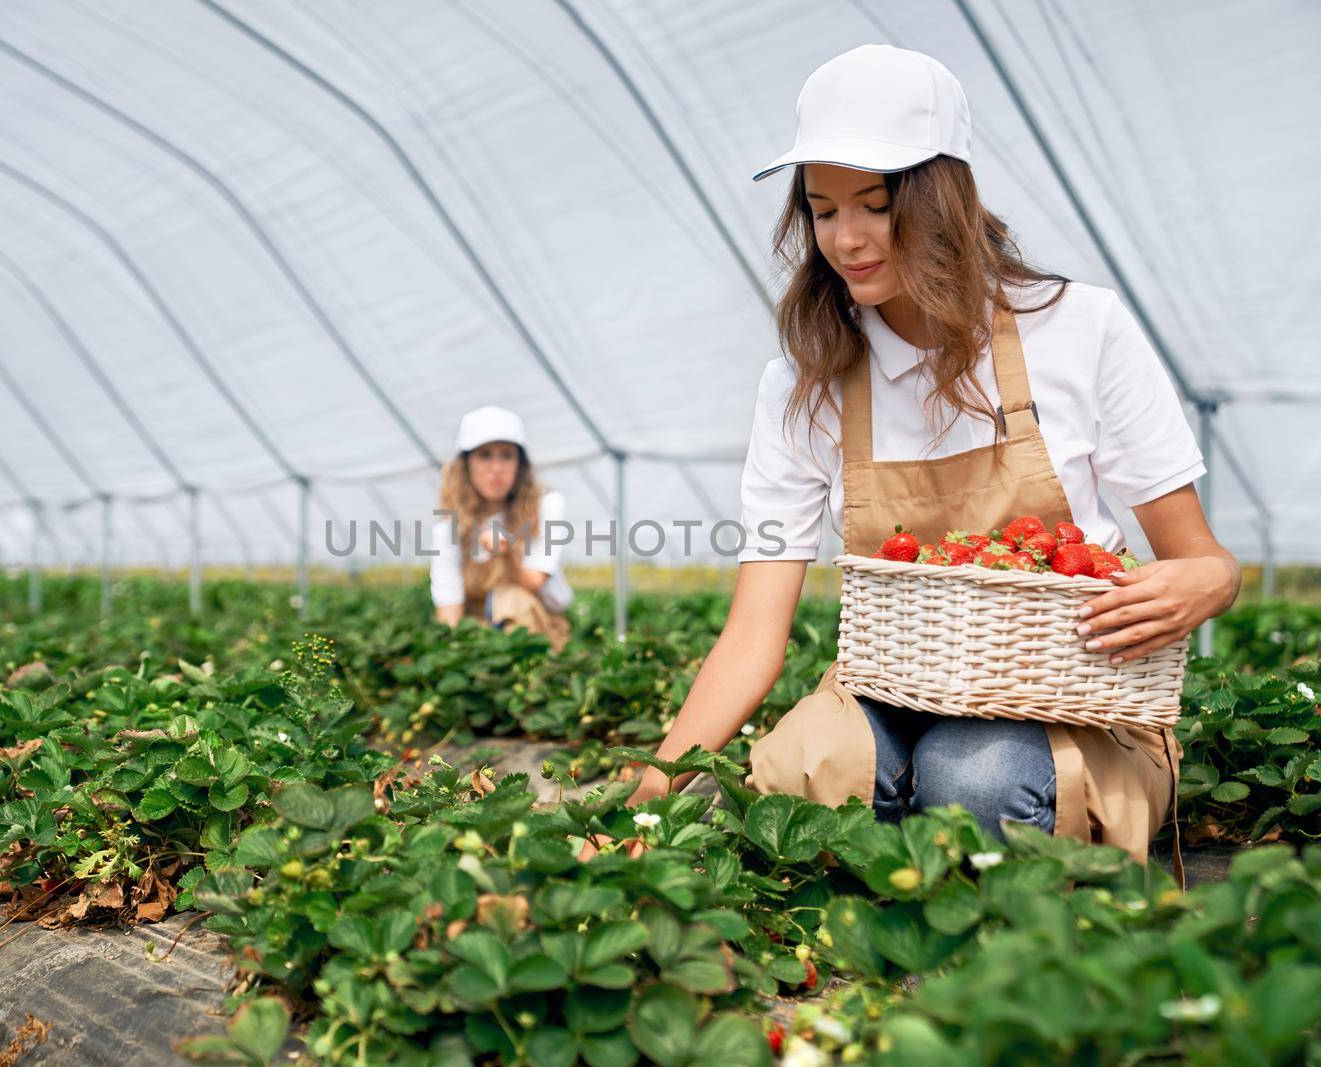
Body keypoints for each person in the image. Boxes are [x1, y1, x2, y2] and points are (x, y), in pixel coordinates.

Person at [596, 44, 1238, 865]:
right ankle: (930, 858)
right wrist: (646, 795)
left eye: (874, 203)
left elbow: (1203, 560)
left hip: (1062, 702)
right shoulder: (810, 376)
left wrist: (1210, 580)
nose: (847, 238)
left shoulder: (1079, 329)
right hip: (893, 691)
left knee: (973, 776)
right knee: (801, 768)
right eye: (824, 210)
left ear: (942, 196)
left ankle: (945, 850)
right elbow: (757, 632)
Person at [429, 405, 573, 653]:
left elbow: (534, 584)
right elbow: (449, 608)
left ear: (520, 464)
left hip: (537, 633)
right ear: (466, 465)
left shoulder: (546, 507)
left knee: (510, 598)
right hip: (480, 636)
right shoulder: (449, 529)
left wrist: (507, 555)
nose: (496, 467)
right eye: (484, 455)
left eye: (506, 455)